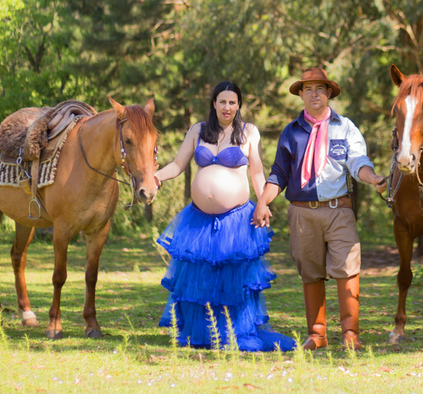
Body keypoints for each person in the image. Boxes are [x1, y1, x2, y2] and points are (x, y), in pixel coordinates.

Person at [153, 81, 296, 351]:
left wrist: (263, 202)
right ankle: (202, 335)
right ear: (214, 104)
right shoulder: (198, 130)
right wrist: (156, 177)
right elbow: (177, 164)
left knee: (233, 279)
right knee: (200, 278)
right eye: (222, 101)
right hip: (198, 220)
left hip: (237, 220)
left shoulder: (248, 132)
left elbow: (256, 172)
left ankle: (233, 333)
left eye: (232, 102)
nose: (227, 107)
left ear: (238, 105)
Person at [252, 67, 387, 350]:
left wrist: (373, 178)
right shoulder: (290, 133)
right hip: (302, 212)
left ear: (328, 93)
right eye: (308, 88)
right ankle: (317, 334)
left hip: (338, 209)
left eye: (320, 88)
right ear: (301, 94)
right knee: (310, 270)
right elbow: (278, 174)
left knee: (347, 267)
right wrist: (262, 202)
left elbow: (358, 161)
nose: (314, 93)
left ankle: (351, 334)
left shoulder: (345, 127)